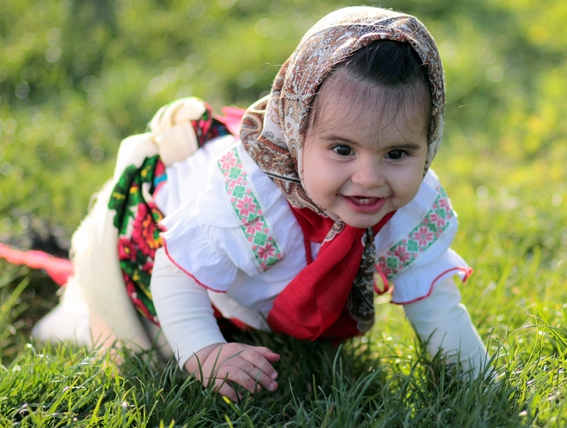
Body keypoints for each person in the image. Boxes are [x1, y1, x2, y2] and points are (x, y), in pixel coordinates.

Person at [33, 6, 488, 401]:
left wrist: (478, 382)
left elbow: (438, 306)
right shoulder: (249, 200)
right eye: (343, 150)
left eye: (397, 154)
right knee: (143, 346)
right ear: (295, 133)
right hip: (159, 241)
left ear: (427, 144)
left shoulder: (410, 201)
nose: (368, 178)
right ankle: (67, 317)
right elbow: (175, 271)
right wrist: (204, 353)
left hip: (251, 284)